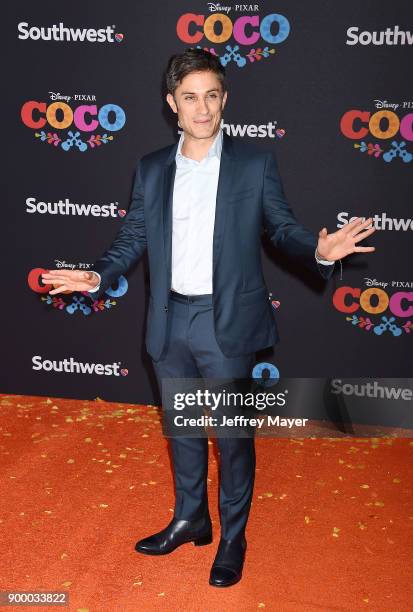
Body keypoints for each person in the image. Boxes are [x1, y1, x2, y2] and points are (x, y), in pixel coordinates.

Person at [41, 48, 376, 588]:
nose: (202, 109)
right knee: (184, 432)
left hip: (227, 324)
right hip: (169, 320)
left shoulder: (253, 163)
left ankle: (232, 537)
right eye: (190, 98)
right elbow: (131, 239)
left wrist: (319, 250)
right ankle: (190, 518)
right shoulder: (152, 168)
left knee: (232, 439)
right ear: (173, 104)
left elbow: (282, 228)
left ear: (225, 100)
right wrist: (98, 275)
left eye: (212, 96)